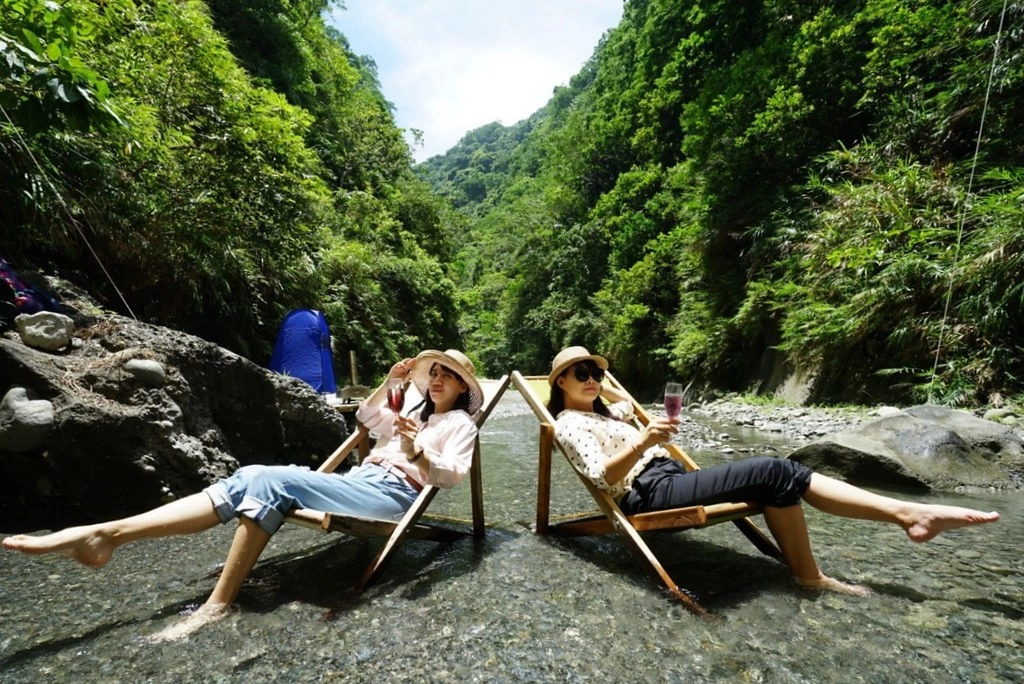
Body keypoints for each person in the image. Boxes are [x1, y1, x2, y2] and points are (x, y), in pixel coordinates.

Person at [2, 348, 483, 640]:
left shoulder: (459, 423)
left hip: (392, 494)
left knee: (265, 478)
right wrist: (391, 382)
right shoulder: (410, 409)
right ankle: (107, 533)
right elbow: (364, 420)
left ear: (463, 386)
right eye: (432, 372)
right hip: (360, 484)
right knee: (247, 479)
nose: (436, 378)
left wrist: (416, 450)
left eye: (447, 374)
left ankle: (215, 604)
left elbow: (452, 475)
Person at [546, 345, 1000, 597]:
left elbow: (625, 411)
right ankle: (903, 518)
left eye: (596, 372)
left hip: (667, 476)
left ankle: (819, 568)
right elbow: (603, 476)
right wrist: (645, 440)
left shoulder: (611, 414)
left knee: (777, 481)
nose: (591, 378)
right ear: (560, 383)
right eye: (580, 372)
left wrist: (628, 412)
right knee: (774, 469)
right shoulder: (567, 424)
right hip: (645, 493)